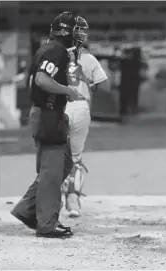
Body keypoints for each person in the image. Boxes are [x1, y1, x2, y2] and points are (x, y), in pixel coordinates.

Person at [10, 11, 86, 239]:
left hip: (47, 113)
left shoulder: (49, 48)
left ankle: (26, 209)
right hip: (48, 114)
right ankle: (46, 223)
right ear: (65, 31)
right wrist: (67, 91)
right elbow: (42, 79)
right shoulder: (57, 51)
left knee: (62, 164)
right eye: (76, 30)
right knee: (52, 171)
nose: (79, 35)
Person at [61, 38, 111, 218]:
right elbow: (105, 86)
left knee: (52, 154)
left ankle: (50, 200)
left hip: (57, 107)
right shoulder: (88, 58)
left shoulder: (50, 55)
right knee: (74, 157)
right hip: (80, 106)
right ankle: (73, 200)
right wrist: (88, 85)